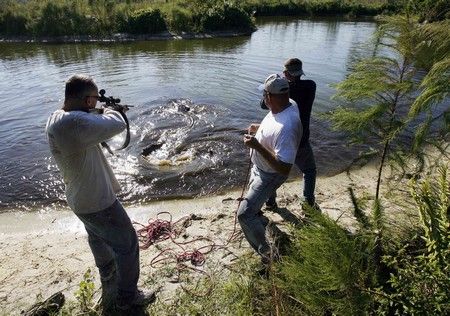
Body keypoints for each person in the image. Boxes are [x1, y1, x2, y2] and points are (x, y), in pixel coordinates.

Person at [45, 74, 153, 311]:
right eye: (95, 98)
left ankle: (108, 275)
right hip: (97, 202)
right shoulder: (74, 124)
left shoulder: (58, 117)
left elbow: (83, 119)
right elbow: (117, 124)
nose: (96, 102)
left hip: (79, 198)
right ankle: (128, 296)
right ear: (87, 101)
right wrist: (113, 110)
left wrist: (97, 112)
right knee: (128, 244)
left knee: (97, 237)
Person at [238, 74, 302, 262]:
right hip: (259, 167)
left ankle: (268, 255)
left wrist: (257, 146)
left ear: (269, 96)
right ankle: (262, 221)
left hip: (269, 174)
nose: (263, 98)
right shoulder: (288, 103)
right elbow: (274, 123)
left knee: (244, 214)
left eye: (264, 93)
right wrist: (259, 128)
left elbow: (283, 169)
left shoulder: (287, 128)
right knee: (255, 210)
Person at [261, 58, 317, 208]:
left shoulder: (284, 90)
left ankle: (270, 202)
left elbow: (263, 105)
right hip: (302, 138)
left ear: (286, 73)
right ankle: (308, 202)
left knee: (274, 171)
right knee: (309, 170)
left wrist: (272, 86)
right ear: (300, 72)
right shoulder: (311, 86)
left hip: (282, 136)